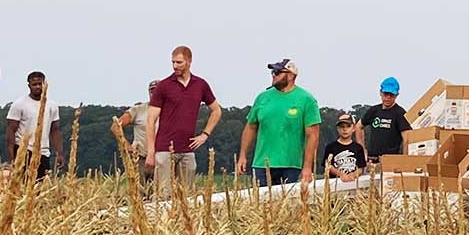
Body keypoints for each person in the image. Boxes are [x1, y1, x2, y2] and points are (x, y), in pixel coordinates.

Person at [146, 46, 221, 194]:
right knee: (163, 194)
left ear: (189, 61)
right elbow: (150, 120)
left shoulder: (200, 85)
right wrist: (151, 151)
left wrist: (205, 134)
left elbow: (217, 110)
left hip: (188, 148)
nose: (175, 66)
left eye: (179, 62)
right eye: (173, 62)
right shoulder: (164, 86)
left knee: (186, 195)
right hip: (164, 149)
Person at [237, 59, 321, 187]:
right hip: (261, 164)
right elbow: (250, 127)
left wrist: (307, 167)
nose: (273, 75)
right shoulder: (262, 98)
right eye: (272, 72)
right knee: (261, 205)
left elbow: (313, 136)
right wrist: (242, 155)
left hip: (291, 165)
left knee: (287, 204)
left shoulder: (306, 100)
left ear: (291, 75)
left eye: (277, 72)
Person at [5, 71, 63, 179]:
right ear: (29, 86)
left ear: (44, 84)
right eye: (34, 84)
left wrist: (59, 153)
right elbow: (11, 131)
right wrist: (11, 158)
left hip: (43, 152)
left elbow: (55, 130)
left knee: (40, 187)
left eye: (40, 84)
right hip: (24, 151)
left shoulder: (52, 106)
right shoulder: (19, 104)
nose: (37, 87)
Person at [356, 76, 411, 162]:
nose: (388, 97)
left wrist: (404, 161)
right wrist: (362, 150)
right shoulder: (374, 110)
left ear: (396, 95)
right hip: (371, 159)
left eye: (391, 95)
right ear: (380, 92)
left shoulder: (400, 113)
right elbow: (359, 126)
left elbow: (407, 139)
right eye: (386, 93)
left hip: (390, 160)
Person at [117, 80, 159, 184]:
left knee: (160, 194)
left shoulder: (171, 110)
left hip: (162, 159)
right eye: (152, 91)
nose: (154, 93)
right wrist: (126, 145)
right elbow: (116, 126)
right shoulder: (139, 110)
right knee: (139, 192)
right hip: (141, 158)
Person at [324, 113, 367, 182]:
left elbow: (361, 168)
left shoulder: (358, 148)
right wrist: (341, 174)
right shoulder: (330, 147)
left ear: (353, 128)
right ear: (338, 129)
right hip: (335, 182)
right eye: (342, 126)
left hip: (353, 182)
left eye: (348, 126)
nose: (345, 129)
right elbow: (328, 165)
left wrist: (353, 174)